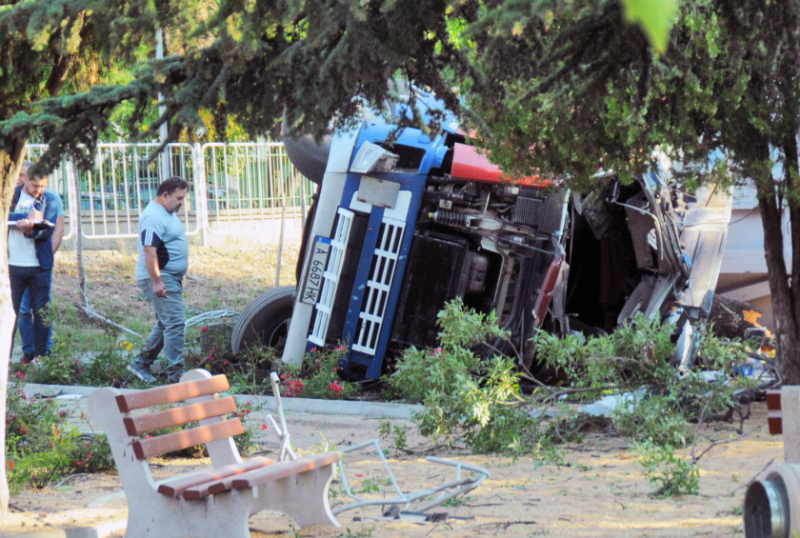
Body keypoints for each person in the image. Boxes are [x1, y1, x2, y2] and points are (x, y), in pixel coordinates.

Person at [127, 177, 189, 383]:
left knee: (166, 323)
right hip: (160, 276)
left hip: (168, 276)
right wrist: (157, 281)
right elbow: (149, 250)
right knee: (175, 323)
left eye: (184, 198)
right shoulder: (153, 216)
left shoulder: (164, 212)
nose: (182, 203)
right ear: (165, 195)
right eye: (179, 198)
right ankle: (176, 376)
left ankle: (139, 364)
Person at [8, 169, 64, 361]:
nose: (39, 190)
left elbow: (47, 230)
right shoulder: (11, 193)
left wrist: (29, 230)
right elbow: (4, 215)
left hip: (39, 266)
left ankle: (41, 357)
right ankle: (5, 357)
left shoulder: (51, 199)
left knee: (41, 312)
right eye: (35, 186)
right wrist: (24, 219)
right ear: (26, 180)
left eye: (43, 186)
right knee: (10, 313)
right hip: (12, 265)